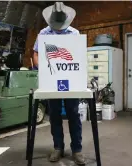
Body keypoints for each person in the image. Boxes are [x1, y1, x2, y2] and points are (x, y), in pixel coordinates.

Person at [32, 2, 85, 165]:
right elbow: (35, 54)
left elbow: (80, 56)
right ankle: (58, 148)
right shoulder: (44, 33)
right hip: (51, 81)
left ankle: (77, 150)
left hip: (71, 80)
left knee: (73, 115)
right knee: (54, 115)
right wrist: (45, 70)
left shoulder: (74, 33)